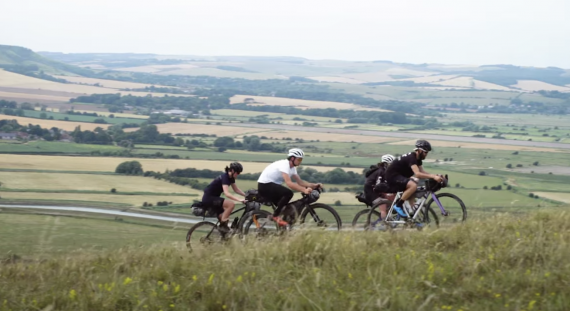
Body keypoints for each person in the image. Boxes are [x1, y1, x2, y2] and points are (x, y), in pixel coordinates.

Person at [257, 148, 322, 227]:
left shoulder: (292, 168)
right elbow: (289, 184)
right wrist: (304, 190)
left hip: (272, 186)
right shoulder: (285, 165)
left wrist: (314, 185)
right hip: (265, 185)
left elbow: (300, 182)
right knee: (288, 193)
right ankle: (275, 215)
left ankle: (283, 227)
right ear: (292, 158)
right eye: (299, 159)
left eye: (301, 160)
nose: (300, 161)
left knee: (286, 207)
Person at [385, 140, 443, 218]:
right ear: (419, 150)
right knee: (413, 185)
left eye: (427, 153)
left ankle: (412, 217)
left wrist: (435, 175)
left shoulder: (418, 160)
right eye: (425, 152)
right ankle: (398, 205)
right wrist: (433, 177)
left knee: (414, 187)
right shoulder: (412, 158)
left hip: (400, 176)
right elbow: (418, 174)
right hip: (392, 177)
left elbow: (422, 172)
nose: (426, 154)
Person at [202, 162, 246, 232]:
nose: (238, 174)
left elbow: (236, 190)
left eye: (239, 173)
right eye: (237, 173)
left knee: (224, 218)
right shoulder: (225, 177)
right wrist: (239, 200)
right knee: (231, 205)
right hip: (209, 198)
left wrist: (246, 195)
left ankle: (223, 236)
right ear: (232, 170)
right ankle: (223, 226)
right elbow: (227, 193)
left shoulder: (231, 178)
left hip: (213, 198)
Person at [363, 154, 395, 220]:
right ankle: (385, 224)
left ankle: (386, 220)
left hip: (375, 192)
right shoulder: (380, 171)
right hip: (371, 194)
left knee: (390, 202)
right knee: (383, 205)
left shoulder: (383, 171)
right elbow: (378, 186)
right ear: (385, 164)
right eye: (390, 164)